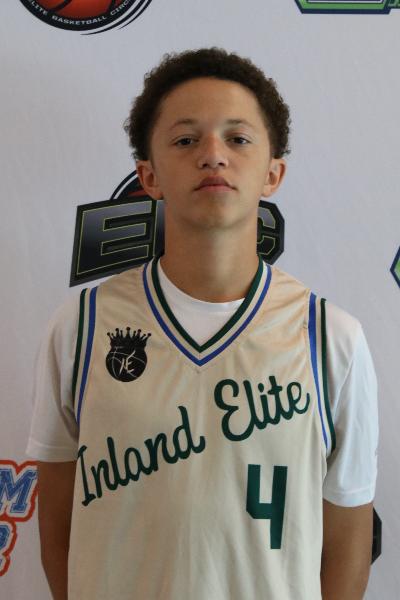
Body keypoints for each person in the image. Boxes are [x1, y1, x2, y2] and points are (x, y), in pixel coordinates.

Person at [27, 48, 378, 600]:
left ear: (273, 173)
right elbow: (58, 536)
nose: (213, 155)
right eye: (186, 140)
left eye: (238, 138)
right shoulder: (82, 326)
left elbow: (347, 548)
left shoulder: (331, 339)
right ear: (149, 175)